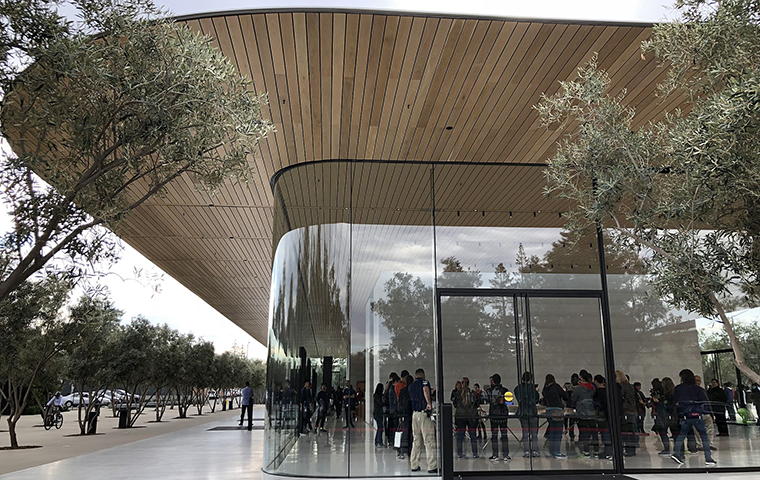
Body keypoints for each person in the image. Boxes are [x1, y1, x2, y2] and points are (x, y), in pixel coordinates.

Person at [671, 368, 717, 467]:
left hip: (685, 415)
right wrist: (708, 412)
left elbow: (674, 401)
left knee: (682, 435)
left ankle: (676, 453)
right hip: (697, 415)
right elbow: (704, 402)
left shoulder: (678, 388)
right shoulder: (698, 389)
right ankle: (708, 458)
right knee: (704, 436)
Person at [409, 368, 437, 474]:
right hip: (423, 414)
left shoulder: (411, 386)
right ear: (423, 375)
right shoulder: (425, 382)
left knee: (416, 440)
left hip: (414, 415)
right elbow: (425, 389)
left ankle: (414, 464)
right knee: (429, 440)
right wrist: (429, 402)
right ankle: (432, 466)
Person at [515, 371, 540, 458]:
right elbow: (536, 400)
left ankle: (526, 451)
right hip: (532, 412)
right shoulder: (532, 389)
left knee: (525, 433)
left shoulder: (518, 388)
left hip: (523, 413)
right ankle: (534, 451)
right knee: (534, 434)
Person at [542, 374, 568, 459]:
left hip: (548, 411)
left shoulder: (544, 389)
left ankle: (552, 451)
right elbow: (565, 396)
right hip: (557, 410)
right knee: (558, 432)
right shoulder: (556, 386)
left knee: (552, 432)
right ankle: (557, 452)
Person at [487, 373, 511, 461]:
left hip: (493, 415)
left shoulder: (489, 391)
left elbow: (485, 400)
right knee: (504, 435)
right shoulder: (505, 390)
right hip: (503, 414)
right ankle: (505, 455)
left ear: (492, 381)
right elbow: (510, 402)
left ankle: (495, 454)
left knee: (494, 435)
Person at [573, 371, 597, 457]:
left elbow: (574, 398)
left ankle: (586, 451)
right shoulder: (592, 388)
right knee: (594, 433)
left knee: (584, 432)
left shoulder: (578, 388)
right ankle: (596, 450)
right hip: (591, 411)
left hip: (582, 412)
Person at [453, 377, 479, 458]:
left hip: (460, 416)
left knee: (460, 436)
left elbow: (455, 404)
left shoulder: (457, 394)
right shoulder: (473, 393)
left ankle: (459, 453)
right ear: (469, 384)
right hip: (471, 416)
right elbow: (476, 404)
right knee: (473, 436)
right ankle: (475, 453)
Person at [616, 370, 638, 456]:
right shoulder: (630, 386)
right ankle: (632, 449)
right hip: (632, 410)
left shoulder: (622, 387)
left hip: (626, 411)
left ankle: (629, 449)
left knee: (626, 432)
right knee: (631, 431)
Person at [593, 374, 613, 460]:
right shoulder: (608, 390)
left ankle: (608, 451)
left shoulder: (599, 392)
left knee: (605, 433)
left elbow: (598, 403)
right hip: (609, 414)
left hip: (602, 415)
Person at [397, 375, 413, 460]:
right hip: (412, 414)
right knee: (412, 433)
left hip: (405, 414)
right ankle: (410, 450)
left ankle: (402, 451)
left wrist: (400, 416)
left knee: (404, 432)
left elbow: (400, 404)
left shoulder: (403, 391)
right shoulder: (414, 391)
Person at [373, 383, 385, 447]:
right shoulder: (377, 396)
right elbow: (380, 403)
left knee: (379, 428)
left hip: (377, 413)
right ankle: (379, 442)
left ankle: (377, 441)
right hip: (378, 413)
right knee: (380, 428)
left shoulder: (377, 395)